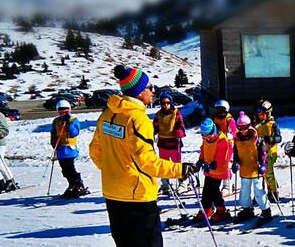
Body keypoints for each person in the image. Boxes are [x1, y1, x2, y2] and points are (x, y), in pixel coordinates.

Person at [89, 65, 194, 247]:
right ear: (138, 92)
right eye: (148, 87)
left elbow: (95, 151)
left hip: (113, 194)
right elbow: (147, 162)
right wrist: (180, 169)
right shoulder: (138, 119)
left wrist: (116, 171)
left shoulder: (107, 113)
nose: (152, 91)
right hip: (137, 197)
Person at [232, 111, 272, 223]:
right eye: (240, 128)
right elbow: (236, 154)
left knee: (259, 191)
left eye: (245, 127)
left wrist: (263, 165)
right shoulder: (237, 140)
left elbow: (264, 153)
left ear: (249, 126)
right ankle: (247, 209)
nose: (243, 130)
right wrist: (236, 163)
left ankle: (266, 210)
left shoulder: (256, 139)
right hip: (245, 169)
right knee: (244, 192)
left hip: (256, 169)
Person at [195, 118, 232, 223]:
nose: (205, 137)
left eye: (207, 135)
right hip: (209, 170)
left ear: (213, 130)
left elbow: (221, 156)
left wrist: (212, 165)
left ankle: (221, 210)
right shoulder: (206, 138)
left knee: (214, 191)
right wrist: (201, 160)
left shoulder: (222, 139)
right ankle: (207, 209)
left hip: (219, 170)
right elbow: (204, 149)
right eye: (203, 135)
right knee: (206, 190)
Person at [50, 99, 88, 199]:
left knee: (70, 168)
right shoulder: (56, 121)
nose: (63, 112)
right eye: (60, 109)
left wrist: (68, 124)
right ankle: (72, 184)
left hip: (69, 149)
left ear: (69, 109)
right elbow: (53, 133)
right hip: (60, 149)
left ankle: (78, 184)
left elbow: (74, 133)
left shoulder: (73, 120)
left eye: (65, 109)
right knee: (65, 170)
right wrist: (54, 143)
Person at [153, 92, 187, 195]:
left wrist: (179, 131)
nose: (165, 105)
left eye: (167, 102)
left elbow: (181, 125)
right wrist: (150, 134)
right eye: (163, 103)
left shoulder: (176, 113)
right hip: (163, 143)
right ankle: (165, 184)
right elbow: (154, 126)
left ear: (171, 102)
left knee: (176, 164)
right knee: (163, 165)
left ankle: (182, 183)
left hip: (174, 143)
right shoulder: (158, 114)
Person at [255, 100, 282, 202]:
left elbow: (279, 138)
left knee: (268, 173)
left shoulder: (273, 124)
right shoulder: (257, 125)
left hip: (270, 153)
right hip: (259, 152)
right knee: (259, 174)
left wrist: (270, 139)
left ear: (268, 113)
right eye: (259, 114)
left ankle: (273, 192)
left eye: (263, 114)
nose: (260, 116)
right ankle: (260, 193)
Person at [213, 99, 236, 196]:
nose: (219, 112)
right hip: (217, 143)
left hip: (227, 144)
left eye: (221, 110)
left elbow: (234, 131)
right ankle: (218, 183)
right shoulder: (215, 118)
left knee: (226, 163)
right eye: (217, 109)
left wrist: (230, 135)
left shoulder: (229, 119)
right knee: (218, 163)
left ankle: (227, 185)